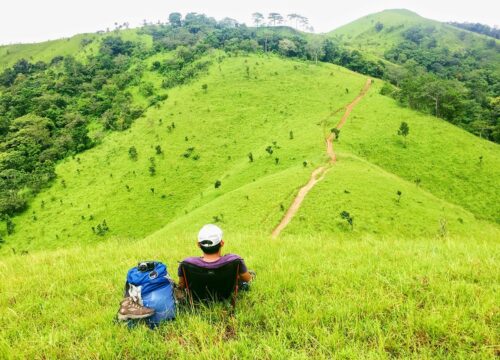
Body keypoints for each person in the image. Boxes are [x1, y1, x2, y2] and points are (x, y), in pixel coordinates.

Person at [177, 224, 254, 293]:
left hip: (198, 299)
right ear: (222, 243)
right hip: (226, 295)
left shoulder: (186, 263)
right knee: (252, 273)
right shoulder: (235, 260)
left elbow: (181, 285)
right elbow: (248, 279)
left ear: (198, 244)